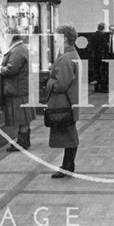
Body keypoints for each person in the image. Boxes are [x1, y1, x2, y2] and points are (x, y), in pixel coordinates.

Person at [47, 25, 80, 178]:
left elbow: (61, 84)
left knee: (69, 133)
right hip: (69, 100)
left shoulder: (66, 58)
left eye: (57, 36)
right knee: (69, 132)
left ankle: (67, 165)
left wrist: (49, 82)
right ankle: (67, 164)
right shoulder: (70, 54)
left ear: (65, 38)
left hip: (64, 102)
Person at [0, 27, 34, 152]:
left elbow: (11, 69)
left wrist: (0, 68)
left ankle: (22, 142)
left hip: (17, 88)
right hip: (21, 87)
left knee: (21, 117)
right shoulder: (21, 48)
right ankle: (24, 140)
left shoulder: (17, 50)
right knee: (23, 117)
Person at [89, 22, 109, 92]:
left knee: (96, 72)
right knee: (103, 72)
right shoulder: (103, 36)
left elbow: (91, 46)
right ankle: (103, 88)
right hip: (102, 56)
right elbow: (105, 46)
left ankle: (96, 88)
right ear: (103, 28)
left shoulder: (93, 35)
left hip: (95, 56)